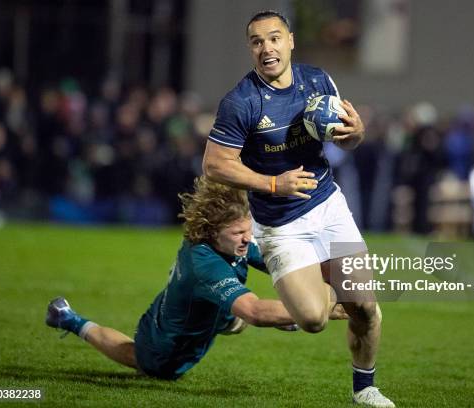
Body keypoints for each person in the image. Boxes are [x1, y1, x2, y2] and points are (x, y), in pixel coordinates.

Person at [201, 10, 395, 408]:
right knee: (312, 319)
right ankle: (314, 291)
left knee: (367, 310)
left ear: (290, 40)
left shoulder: (318, 81)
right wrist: (274, 183)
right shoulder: (241, 102)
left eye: (274, 38)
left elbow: (346, 140)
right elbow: (215, 164)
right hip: (280, 224)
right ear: (251, 49)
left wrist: (356, 133)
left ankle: (365, 388)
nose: (266, 48)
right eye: (257, 41)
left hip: (329, 207)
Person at [45, 176, 347, 379]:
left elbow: (279, 262)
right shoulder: (204, 263)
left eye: (247, 229)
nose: (246, 239)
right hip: (167, 347)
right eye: (238, 233)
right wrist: (329, 306)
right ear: (212, 232)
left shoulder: (226, 239)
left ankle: (234, 319)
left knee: (243, 317)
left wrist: (331, 271)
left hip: (189, 310)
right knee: (140, 359)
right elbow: (255, 311)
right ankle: (69, 319)